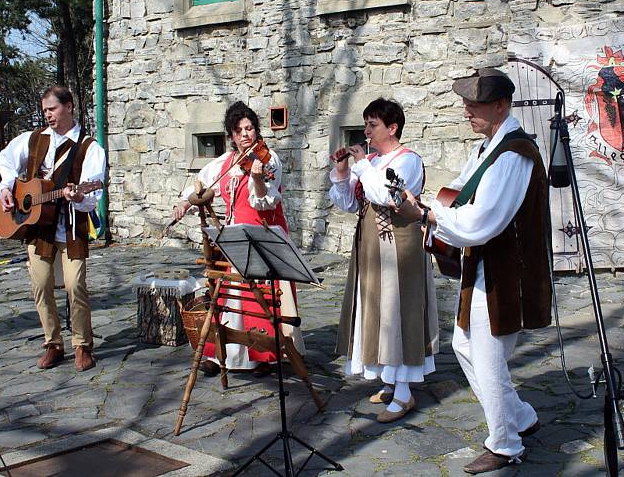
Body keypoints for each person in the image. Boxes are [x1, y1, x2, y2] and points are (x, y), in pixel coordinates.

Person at [395, 69, 552, 473]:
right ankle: (520, 417)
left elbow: (483, 222)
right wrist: (426, 206)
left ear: (501, 105)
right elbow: (458, 192)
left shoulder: (514, 154)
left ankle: (505, 443)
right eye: (466, 103)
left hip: (508, 273)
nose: (467, 110)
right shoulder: (488, 148)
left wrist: (429, 214)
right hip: (485, 268)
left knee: (487, 356)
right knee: (466, 346)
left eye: (475, 104)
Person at [328, 98, 439, 423]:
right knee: (377, 311)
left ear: (392, 127)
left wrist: (363, 167)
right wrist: (343, 171)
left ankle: (404, 394)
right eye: (366, 124)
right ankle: (391, 382)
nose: (366, 131)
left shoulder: (409, 161)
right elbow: (350, 203)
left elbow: (388, 196)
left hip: (399, 247)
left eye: (372, 124)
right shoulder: (374, 160)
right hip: (371, 246)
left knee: (397, 314)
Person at [173, 101, 303, 376]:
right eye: (239, 130)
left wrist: (256, 178)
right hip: (236, 236)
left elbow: (266, 201)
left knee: (264, 298)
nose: (246, 134)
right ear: (231, 135)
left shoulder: (269, 160)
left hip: (264, 231)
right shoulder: (225, 162)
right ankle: (226, 353)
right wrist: (185, 202)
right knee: (233, 296)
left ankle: (265, 354)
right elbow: (202, 183)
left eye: (250, 128)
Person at [0, 86, 106, 372]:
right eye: (45, 110)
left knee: (74, 285)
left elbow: (93, 196)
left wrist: (79, 196)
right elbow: (4, 161)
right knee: (41, 285)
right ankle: (53, 343)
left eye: (52, 109)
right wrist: (5, 189)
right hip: (38, 227)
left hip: (70, 226)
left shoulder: (89, 147)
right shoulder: (33, 139)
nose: (48, 115)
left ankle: (82, 345)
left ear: (69, 107)